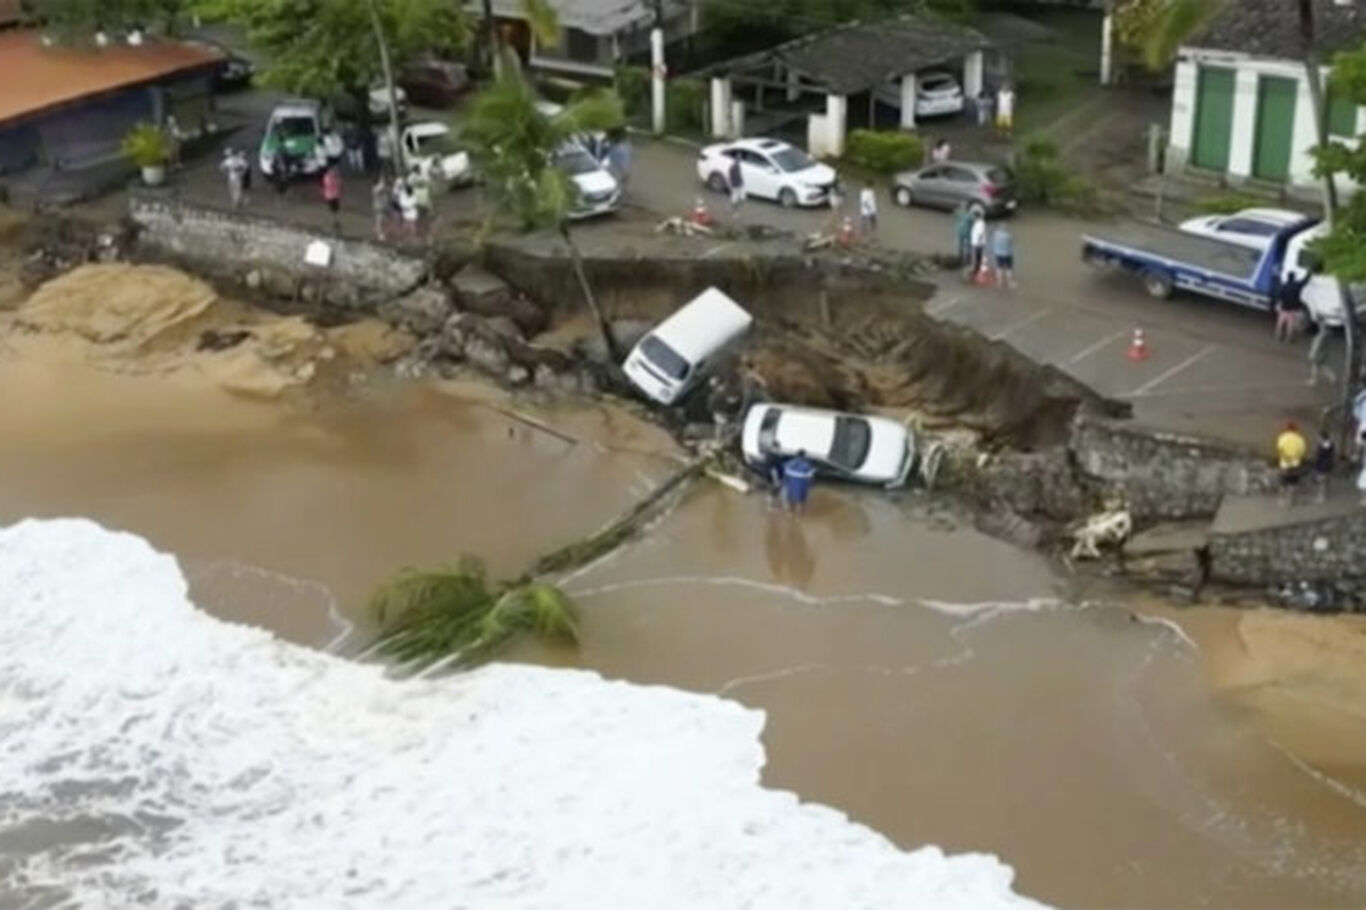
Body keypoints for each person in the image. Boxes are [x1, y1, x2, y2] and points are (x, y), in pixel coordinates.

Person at [1276, 420, 1307, 505]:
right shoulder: (1300, 439)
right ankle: (1291, 500)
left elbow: (1280, 450)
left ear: (1287, 429)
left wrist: (1286, 458)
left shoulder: (1282, 437)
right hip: (1295, 464)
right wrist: (1295, 458)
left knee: (1283, 482)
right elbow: (1302, 451)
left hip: (1284, 464)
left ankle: (1282, 500)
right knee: (1293, 483)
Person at [1274, 270, 1308, 342]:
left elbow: (1279, 296)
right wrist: (1310, 272)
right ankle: (1288, 338)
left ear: (1288, 278)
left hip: (1284, 308)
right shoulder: (1297, 285)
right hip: (1293, 309)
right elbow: (1305, 280)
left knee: (1280, 323)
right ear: (1294, 278)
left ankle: (1278, 336)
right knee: (1290, 324)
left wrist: (1278, 304)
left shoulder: (1284, 286)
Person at [1313, 427, 1336, 502]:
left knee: (1321, 482)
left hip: (1322, 465)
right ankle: (1325, 494)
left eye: (1318, 437)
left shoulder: (1323, 445)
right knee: (1326, 481)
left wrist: (1315, 463)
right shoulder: (1330, 444)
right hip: (1328, 464)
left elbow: (1319, 456)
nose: (1317, 439)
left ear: (1321, 437)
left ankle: (1321, 497)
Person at [991, 223, 1014, 288]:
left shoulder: (996, 234)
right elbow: (1011, 243)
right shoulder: (1008, 235)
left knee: (999, 268)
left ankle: (999, 282)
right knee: (1009, 269)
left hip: (998, 254)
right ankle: (1009, 282)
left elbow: (993, 231)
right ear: (1006, 229)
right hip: (1008, 254)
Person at [321, 164, 342, 233]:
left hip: (333, 195)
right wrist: (336, 181)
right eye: (332, 171)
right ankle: (334, 221)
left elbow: (339, 184)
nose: (334, 172)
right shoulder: (328, 178)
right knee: (333, 209)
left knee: (335, 209)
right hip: (331, 196)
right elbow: (332, 185)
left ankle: (335, 220)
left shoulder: (332, 177)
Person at [968, 209, 987, 280]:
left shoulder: (980, 223)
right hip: (977, 243)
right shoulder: (978, 222)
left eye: (973, 216)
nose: (972, 217)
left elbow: (980, 234)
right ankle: (976, 269)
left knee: (977, 257)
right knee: (978, 257)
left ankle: (976, 270)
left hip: (977, 244)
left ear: (976, 216)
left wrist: (978, 243)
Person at [953, 201, 972, 269]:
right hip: (967, 232)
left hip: (960, 231)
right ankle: (968, 259)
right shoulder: (970, 215)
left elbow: (955, 214)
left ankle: (961, 257)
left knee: (961, 245)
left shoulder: (959, 213)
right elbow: (972, 221)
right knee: (968, 245)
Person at [371, 175, 390, 241]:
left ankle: (377, 230)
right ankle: (379, 235)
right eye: (379, 181)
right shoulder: (376, 188)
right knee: (380, 221)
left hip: (381, 206)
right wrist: (382, 182)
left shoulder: (377, 187)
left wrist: (382, 181)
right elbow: (381, 189)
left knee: (380, 220)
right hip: (379, 207)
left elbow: (385, 189)